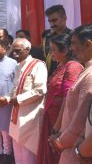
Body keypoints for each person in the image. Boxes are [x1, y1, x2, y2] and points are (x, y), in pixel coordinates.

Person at [49, 24, 92, 164]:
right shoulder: (86, 69)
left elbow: (81, 118)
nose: (71, 48)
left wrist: (61, 142)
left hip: (77, 150)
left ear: (88, 44)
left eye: (73, 44)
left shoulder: (89, 75)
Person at [37, 34, 83, 164]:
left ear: (65, 50)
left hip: (61, 123)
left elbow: (69, 99)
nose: (51, 54)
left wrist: (57, 127)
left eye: (53, 50)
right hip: (51, 119)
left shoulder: (73, 67)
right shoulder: (61, 66)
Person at [6, 38, 48, 164]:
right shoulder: (18, 66)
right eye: (13, 51)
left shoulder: (38, 65)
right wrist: (6, 98)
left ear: (27, 50)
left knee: (28, 153)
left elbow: (40, 90)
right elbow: (15, 88)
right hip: (16, 115)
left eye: (18, 51)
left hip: (30, 117)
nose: (14, 54)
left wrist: (17, 99)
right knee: (18, 152)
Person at [42, 5, 71, 75]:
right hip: (50, 77)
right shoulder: (47, 38)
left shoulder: (73, 37)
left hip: (68, 75)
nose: (52, 24)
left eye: (54, 20)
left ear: (64, 18)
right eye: (49, 21)